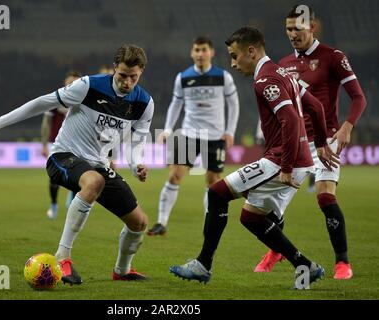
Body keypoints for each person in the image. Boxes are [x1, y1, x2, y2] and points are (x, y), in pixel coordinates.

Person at [169, 26, 338, 289]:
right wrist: (320, 145)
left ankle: (203, 265)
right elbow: (315, 106)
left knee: (216, 193)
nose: (234, 64)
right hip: (296, 159)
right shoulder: (283, 73)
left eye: (235, 56)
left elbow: (291, 119)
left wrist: (286, 164)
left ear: (251, 51)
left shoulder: (266, 80)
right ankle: (304, 265)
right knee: (251, 218)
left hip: (282, 159)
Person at [0, 44, 154, 285]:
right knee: (94, 181)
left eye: (134, 77)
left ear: (141, 72)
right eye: (122, 75)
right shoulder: (89, 85)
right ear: (114, 69)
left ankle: (122, 270)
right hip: (63, 156)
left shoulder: (144, 103)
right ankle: (62, 256)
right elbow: (42, 103)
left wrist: (136, 165)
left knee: (139, 222)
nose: (127, 82)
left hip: (98, 164)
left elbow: (136, 143)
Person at [253, 5, 367, 279]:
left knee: (325, 196)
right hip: (296, 143)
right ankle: (276, 251)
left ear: (312, 27)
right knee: (269, 204)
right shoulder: (282, 65)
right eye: (289, 29)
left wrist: (347, 127)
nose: (293, 34)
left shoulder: (333, 57)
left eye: (298, 29)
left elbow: (359, 97)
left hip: (326, 141)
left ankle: (342, 263)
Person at [147, 36, 240, 236]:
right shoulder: (183, 77)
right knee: (174, 175)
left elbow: (233, 105)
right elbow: (175, 104)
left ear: (211, 52)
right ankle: (161, 223)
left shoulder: (223, 77)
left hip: (215, 136)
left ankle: (209, 221)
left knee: (213, 181)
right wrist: (168, 129)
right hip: (188, 133)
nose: (200, 54)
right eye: (196, 50)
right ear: (192, 53)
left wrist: (230, 131)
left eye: (203, 50)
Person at [41, 70, 80, 219]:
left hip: (78, 143)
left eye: (75, 82)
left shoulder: (84, 99)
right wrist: (44, 144)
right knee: (54, 177)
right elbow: (46, 122)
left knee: (79, 174)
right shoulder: (57, 98)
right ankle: (53, 204)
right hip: (57, 143)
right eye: (70, 82)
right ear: (65, 83)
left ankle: (72, 198)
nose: (72, 85)